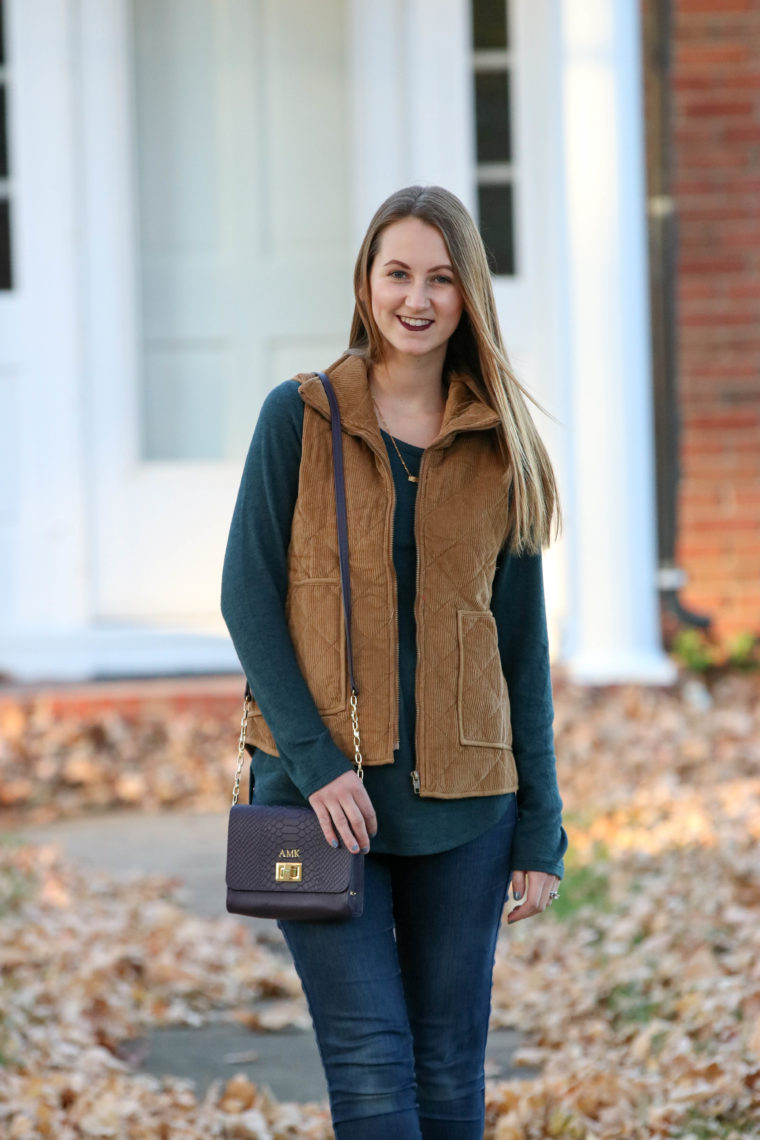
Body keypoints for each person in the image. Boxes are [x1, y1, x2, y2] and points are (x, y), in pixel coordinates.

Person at [221, 184, 567, 1140]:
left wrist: (541, 828)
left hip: (467, 811)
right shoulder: (298, 420)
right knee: (374, 1069)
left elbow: (521, 652)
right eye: (398, 273)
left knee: (451, 1071)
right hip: (318, 801)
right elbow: (247, 597)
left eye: (441, 277)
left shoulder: (502, 448)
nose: (418, 298)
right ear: (367, 285)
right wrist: (318, 763)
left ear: (469, 295)